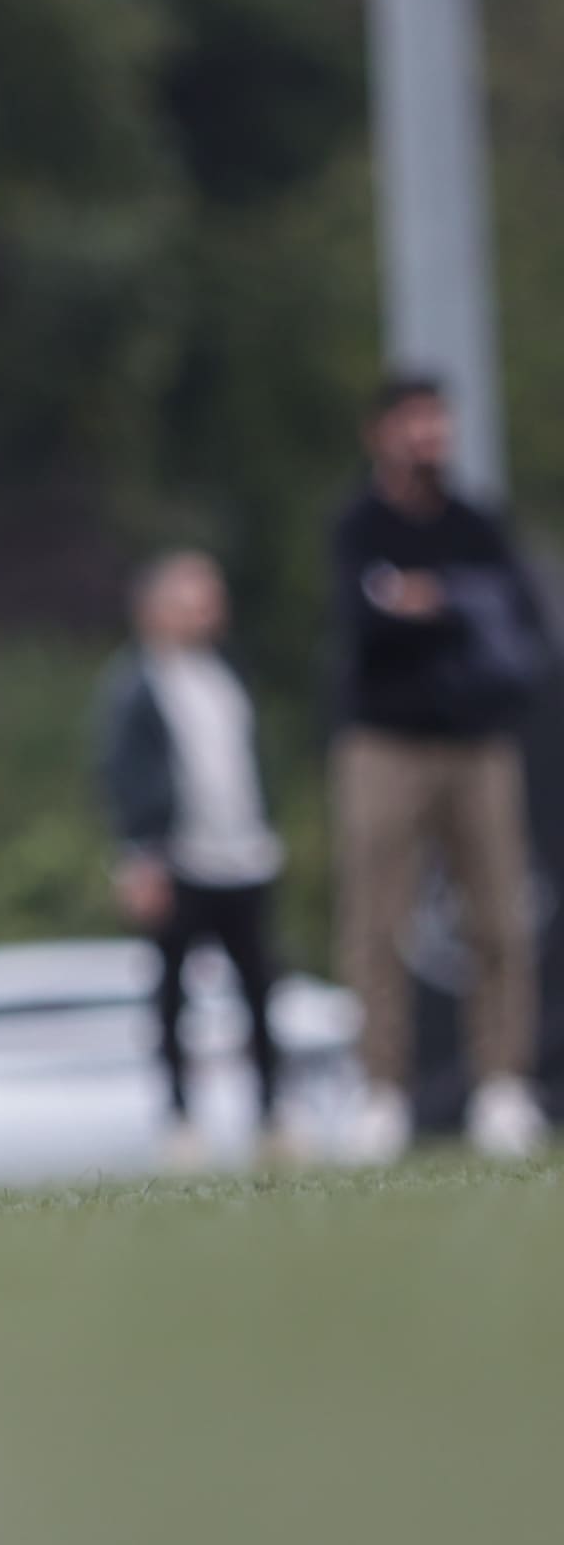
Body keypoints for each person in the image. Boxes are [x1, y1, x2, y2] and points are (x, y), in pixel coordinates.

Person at [331, 372, 553, 1163]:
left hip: (476, 743)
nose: (429, 437)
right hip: (385, 742)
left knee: (499, 916)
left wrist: (430, 604)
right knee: (376, 920)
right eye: (413, 422)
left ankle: (502, 1087)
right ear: (382, 433)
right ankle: (381, 1092)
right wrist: (437, 612)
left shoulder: (476, 524)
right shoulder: (359, 526)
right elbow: (365, 626)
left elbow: (517, 625)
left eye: (438, 422)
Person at [99, 551, 284, 1162]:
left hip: (243, 857)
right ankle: (180, 1119)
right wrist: (140, 856)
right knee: (173, 996)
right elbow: (123, 777)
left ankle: (272, 1114)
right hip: (179, 860)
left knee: (259, 990)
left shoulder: (227, 675)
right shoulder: (136, 686)